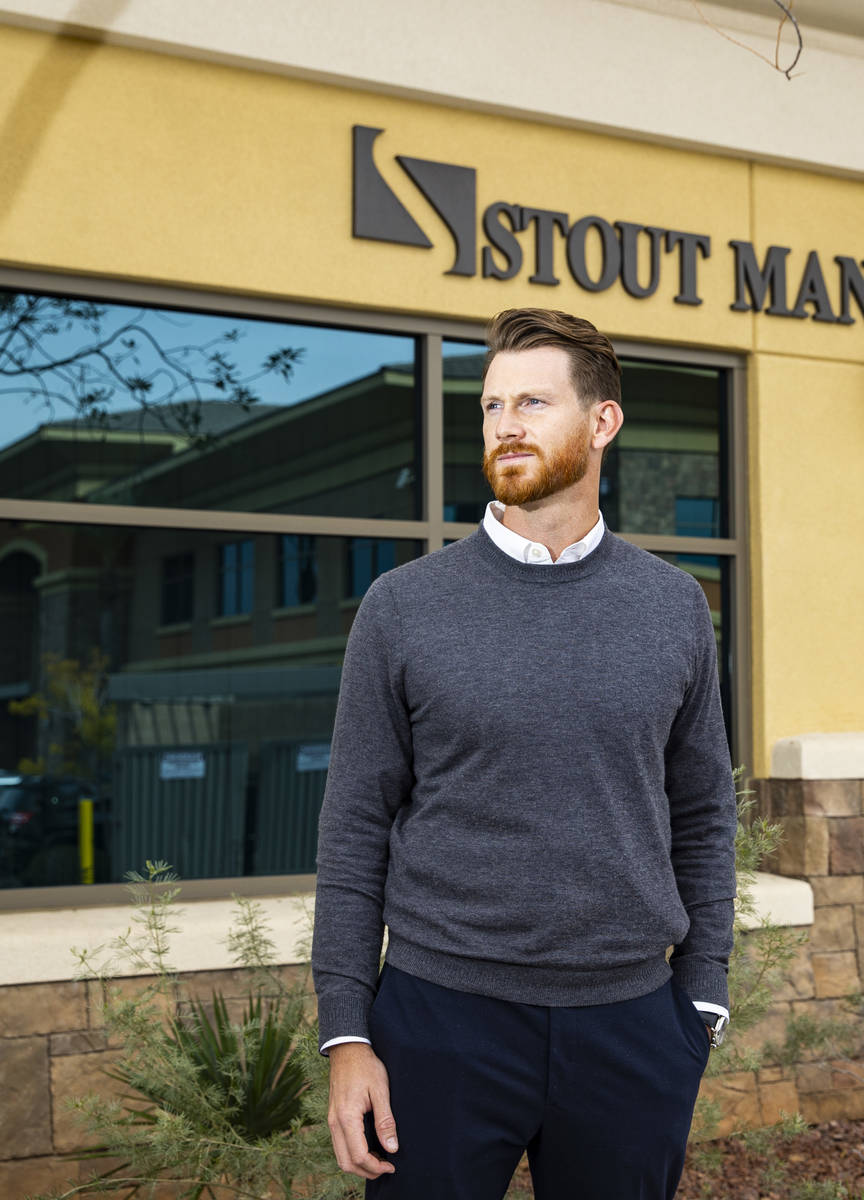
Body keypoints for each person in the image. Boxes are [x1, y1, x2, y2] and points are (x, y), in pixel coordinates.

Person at [312, 307, 738, 1199]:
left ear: (603, 422)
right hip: (438, 1022)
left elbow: (703, 815)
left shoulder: (672, 609)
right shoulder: (402, 607)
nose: (505, 424)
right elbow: (354, 827)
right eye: (492, 404)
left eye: (534, 402)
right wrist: (347, 1034)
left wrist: (699, 1004)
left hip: (630, 1026)